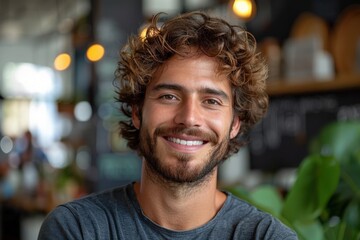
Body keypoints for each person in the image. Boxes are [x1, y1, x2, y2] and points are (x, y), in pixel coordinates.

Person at [38, 11, 298, 239]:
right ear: (137, 112)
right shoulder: (78, 229)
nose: (189, 118)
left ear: (235, 124)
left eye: (210, 101)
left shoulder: (267, 236)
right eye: (169, 96)